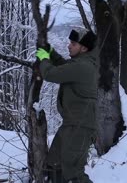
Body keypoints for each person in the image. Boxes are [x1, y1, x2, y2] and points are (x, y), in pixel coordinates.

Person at [36, 28, 98, 183]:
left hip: (80, 127)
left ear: (84, 48)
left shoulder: (84, 66)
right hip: (72, 124)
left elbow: (52, 74)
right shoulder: (81, 63)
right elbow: (64, 66)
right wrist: (51, 52)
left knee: (73, 172)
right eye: (70, 42)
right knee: (54, 164)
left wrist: (44, 58)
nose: (69, 46)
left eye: (74, 43)